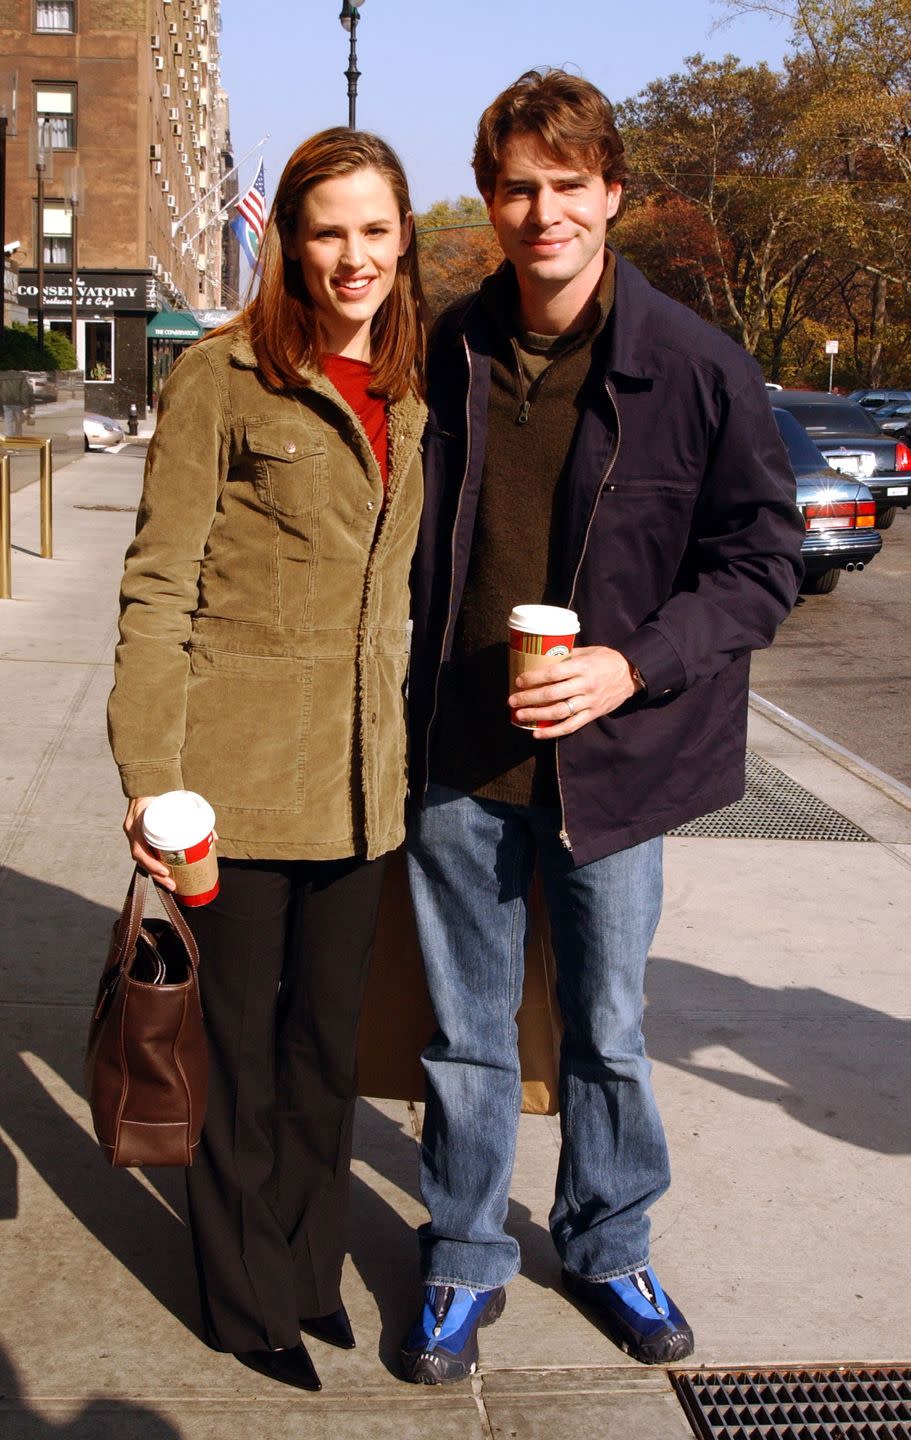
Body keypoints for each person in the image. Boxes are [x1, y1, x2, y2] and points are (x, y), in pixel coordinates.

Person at [400, 68, 805, 1384]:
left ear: (610, 195)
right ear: (488, 200)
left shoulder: (695, 366)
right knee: (464, 1033)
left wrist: (630, 670)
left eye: (565, 186)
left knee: (606, 1030)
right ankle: (462, 1256)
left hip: (613, 770)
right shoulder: (446, 350)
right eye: (516, 187)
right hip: (459, 759)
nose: (540, 212)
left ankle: (607, 1237)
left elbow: (758, 564)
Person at [107, 128, 427, 1393]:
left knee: (322, 1051)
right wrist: (149, 773)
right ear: (288, 237)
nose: (351, 255)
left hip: (361, 787)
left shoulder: (406, 389)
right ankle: (245, 1303)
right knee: (235, 1054)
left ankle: (304, 1268)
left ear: (403, 239)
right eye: (326, 229)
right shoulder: (222, 378)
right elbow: (157, 585)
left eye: (373, 229)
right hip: (230, 782)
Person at [0, 370, 33, 437]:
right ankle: (18, 436)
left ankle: (9, 434)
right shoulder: (21, 375)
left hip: (6, 401)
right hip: (18, 402)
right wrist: (25, 404)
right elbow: (25, 391)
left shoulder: (2, 375)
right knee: (18, 420)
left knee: (8, 419)